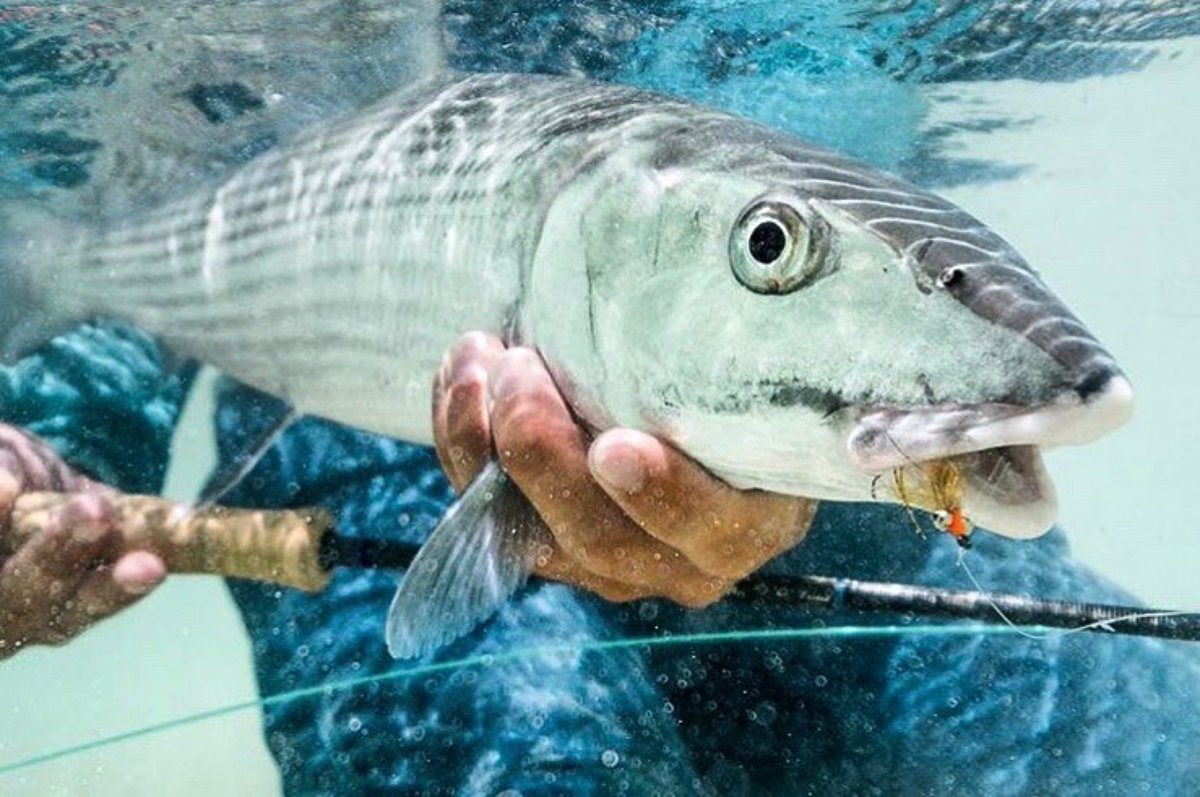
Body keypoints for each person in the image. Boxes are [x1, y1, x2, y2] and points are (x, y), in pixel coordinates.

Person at [3, 323, 1199, 794]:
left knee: (1133, 755)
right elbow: (113, 273)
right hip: (385, 481)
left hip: (833, 474)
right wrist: (41, 450)